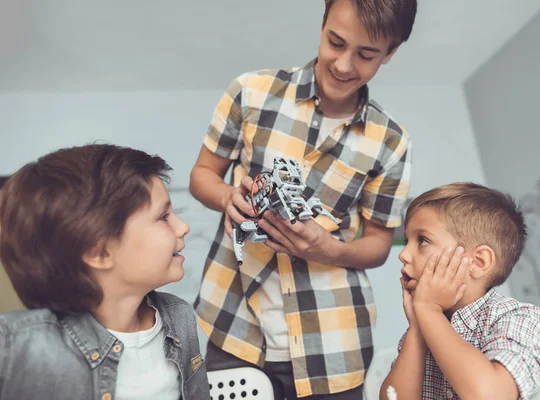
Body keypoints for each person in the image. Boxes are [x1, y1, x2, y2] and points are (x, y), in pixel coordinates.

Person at [189, 0, 417, 398]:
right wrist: (227, 196)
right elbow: (202, 176)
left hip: (334, 345)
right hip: (231, 323)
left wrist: (329, 249)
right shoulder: (251, 92)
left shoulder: (391, 143)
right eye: (335, 42)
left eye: (366, 55)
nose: (344, 65)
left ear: (392, 53)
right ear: (323, 22)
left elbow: (380, 244)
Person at [0, 144, 210, 400]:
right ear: (99, 253)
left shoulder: (180, 317)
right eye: (163, 217)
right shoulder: (18, 344)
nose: (183, 226)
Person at [380, 182, 540, 400]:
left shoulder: (522, 320)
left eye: (423, 240)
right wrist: (417, 329)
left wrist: (429, 311)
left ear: (478, 262)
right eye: (407, 241)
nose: (404, 254)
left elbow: (489, 395)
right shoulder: (422, 328)